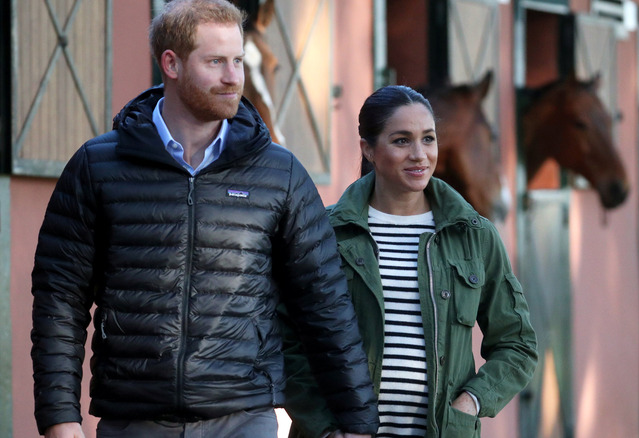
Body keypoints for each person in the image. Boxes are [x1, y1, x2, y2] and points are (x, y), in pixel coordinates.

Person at [29, 1, 377, 437]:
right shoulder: (97, 167)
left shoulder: (280, 174)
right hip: (133, 422)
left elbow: (325, 305)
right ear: (170, 63)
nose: (234, 77)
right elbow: (59, 301)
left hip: (243, 420)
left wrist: (359, 424)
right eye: (216, 62)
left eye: (237, 60)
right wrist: (60, 419)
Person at [283, 85, 538, 438]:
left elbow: (517, 344)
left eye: (428, 139)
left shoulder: (474, 236)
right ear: (368, 150)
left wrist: (471, 403)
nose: (419, 155)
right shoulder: (324, 234)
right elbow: (285, 342)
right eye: (402, 140)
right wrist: (325, 429)